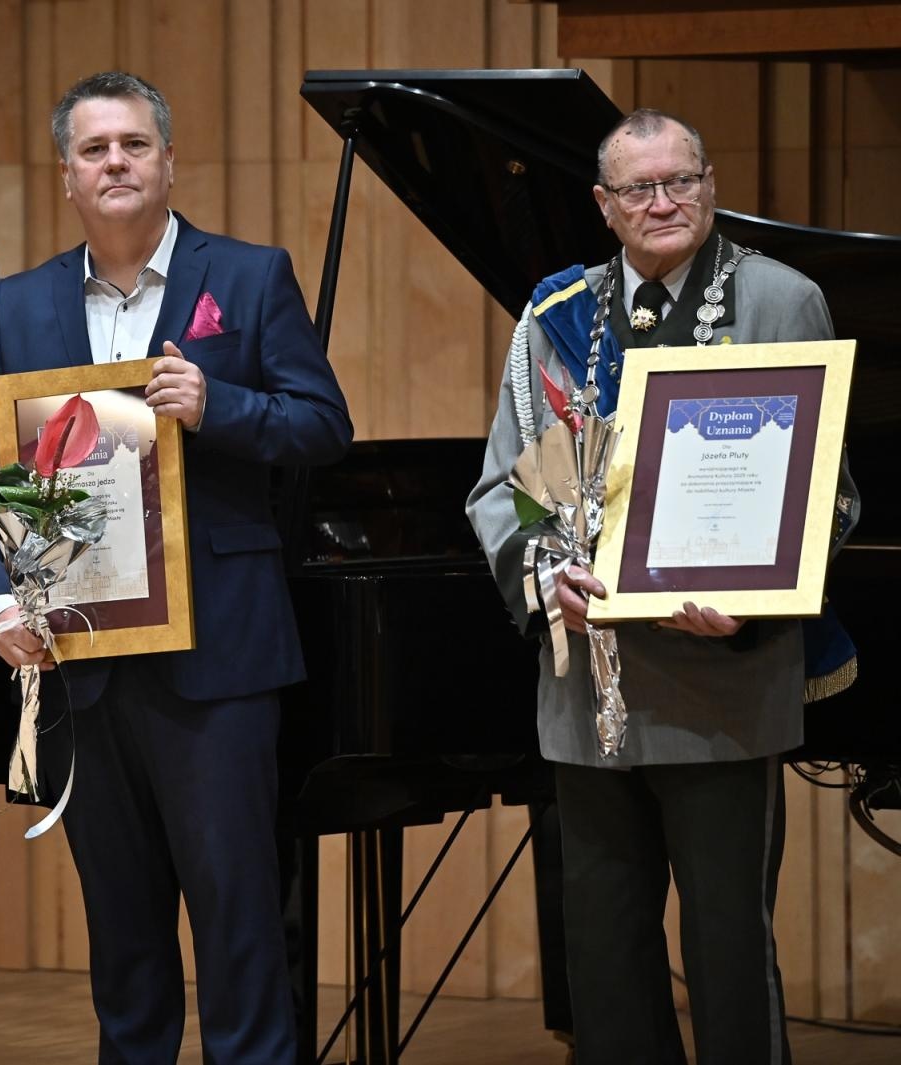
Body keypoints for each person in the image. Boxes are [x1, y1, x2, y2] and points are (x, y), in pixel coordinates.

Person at [0, 71, 352, 1063]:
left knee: (239, 926)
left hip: (220, 660)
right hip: (80, 659)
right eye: (95, 150)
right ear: (67, 176)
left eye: (133, 144)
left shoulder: (250, 278)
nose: (115, 162)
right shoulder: (18, 305)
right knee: (122, 936)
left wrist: (223, 407)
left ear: (169, 163)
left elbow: (325, 429)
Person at [467, 108, 859, 1065]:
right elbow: (502, 487)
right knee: (604, 957)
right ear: (604, 205)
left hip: (719, 679)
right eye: (639, 189)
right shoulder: (555, 317)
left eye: (681, 180)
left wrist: (755, 603)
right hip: (586, 691)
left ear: (710, 183)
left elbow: (831, 496)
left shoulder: (781, 299)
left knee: (727, 951)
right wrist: (543, 573)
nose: (664, 202)